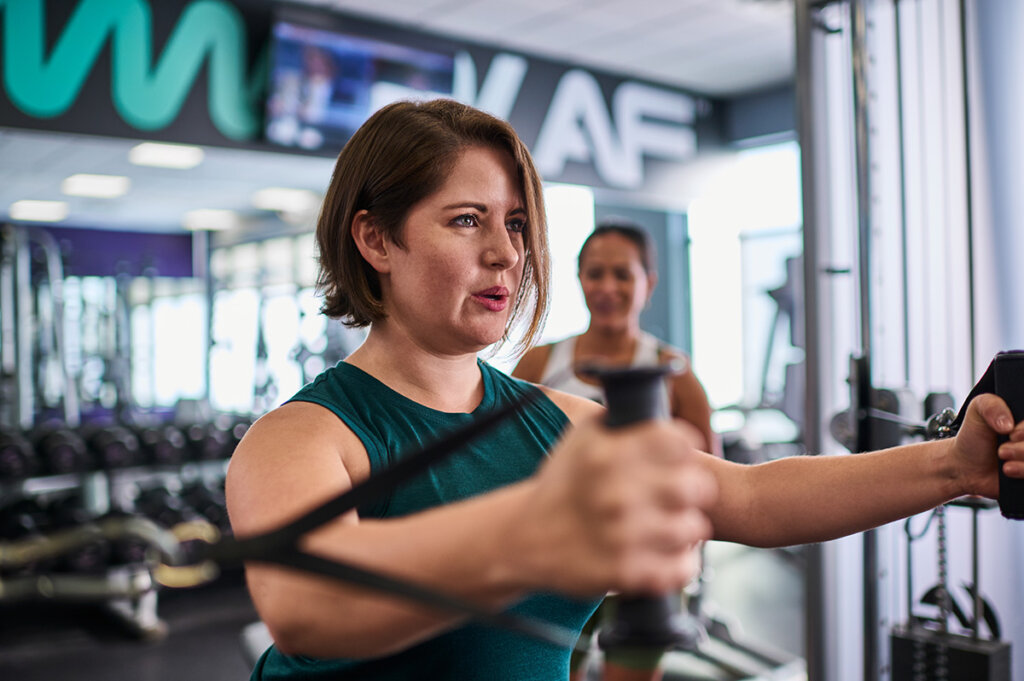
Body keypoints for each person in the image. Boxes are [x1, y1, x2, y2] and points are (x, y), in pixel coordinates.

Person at [224, 98, 1024, 681]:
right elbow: (309, 604)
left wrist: (954, 466)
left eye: (515, 223)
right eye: (467, 219)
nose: (506, 254)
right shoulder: (304, 437)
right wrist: (546, 526)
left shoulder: (556, 422)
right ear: (374, 239)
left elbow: (751, 498)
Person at [512, 220, 718, 681]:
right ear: (579, 278)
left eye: (622, 274)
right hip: (560, 564)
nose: (607, 287)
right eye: (595, 273)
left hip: (644, 575)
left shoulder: (674, 374)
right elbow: (510, 462)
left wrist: (686, 562)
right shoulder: (540, 364)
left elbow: (710, 483)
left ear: (649, 282)